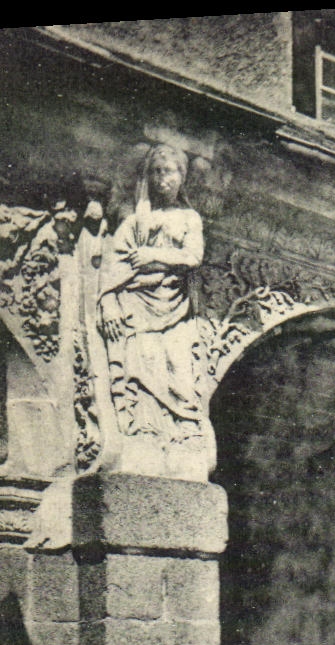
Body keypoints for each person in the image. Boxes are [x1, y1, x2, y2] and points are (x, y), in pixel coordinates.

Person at [97, 143, 206, 476]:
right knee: (142, 363)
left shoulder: (189, 218)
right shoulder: (136, 221)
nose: (163, 179)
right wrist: (108, 302)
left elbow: (193, 256)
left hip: (175, 305)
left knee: (179, 366)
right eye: (157, 172)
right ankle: (144, 427)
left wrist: (154, 256)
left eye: (169, 172)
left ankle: (184, 428)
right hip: (137, 303)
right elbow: (114, 266)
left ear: (182, 177)